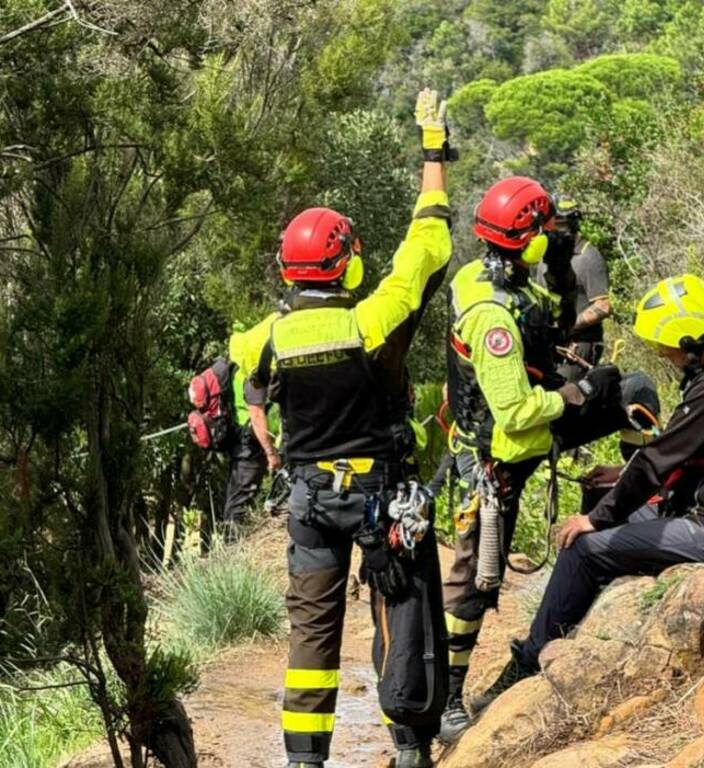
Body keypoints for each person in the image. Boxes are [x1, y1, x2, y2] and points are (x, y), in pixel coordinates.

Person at [474, 274, 704, 710]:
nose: (660, 352)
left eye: (664, 344)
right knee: (598, 507)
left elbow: (658, 459)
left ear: (689, 339)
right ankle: (568, 631)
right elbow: (683, 449)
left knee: (584, 545)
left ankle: (530, 662)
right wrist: (616, 478)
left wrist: (596, 520)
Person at [248, 88, 454, 768]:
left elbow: (238, 386)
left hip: (308, 503)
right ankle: (407, 744)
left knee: (311, 634)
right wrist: (432, 148)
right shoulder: (372, 323)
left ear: (288, 270)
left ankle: (306, 759)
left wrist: (274, 444)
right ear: (347, 265)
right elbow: (428, 244)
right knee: (400, 607)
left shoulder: (268, 339)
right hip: (380, 498)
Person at [439, 176, 623, 744]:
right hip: (499, 457)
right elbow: (516, 410)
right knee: (476, 578)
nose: (553, 236)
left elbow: (551, 315)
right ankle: (448, 699)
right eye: (546, 231)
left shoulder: (488, 278)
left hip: (513, 448)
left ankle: (626, 511)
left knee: (628, 387)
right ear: (525, 239)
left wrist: (562, 262)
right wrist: (571, 396)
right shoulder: (494, 317)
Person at [221, 314, 281, 539]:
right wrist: (270, 453)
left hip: (242, 431)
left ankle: (231, 541)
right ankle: (232, 546)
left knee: (238, 491)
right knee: (242, 493)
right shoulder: (251, 370)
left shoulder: (238, 367)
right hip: (249, 434)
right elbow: (256, 413)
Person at [539, 197, 612, 382]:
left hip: (579, 346)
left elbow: (603, 306)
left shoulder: (588, 256)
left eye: (564, 224)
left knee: (568, 397)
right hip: (550, 345)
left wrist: (569, 325)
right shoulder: (544, 255)